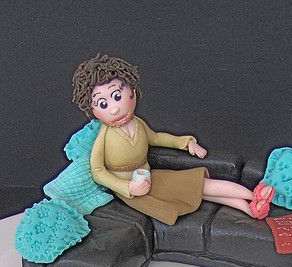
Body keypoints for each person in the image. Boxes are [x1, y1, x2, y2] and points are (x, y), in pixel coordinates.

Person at [72, 54, 273, 226]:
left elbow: (157, 138)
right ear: (93, 110)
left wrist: (185, 143)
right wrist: (128, 188)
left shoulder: (138, 124)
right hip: (134, 192)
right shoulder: (104, 136)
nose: (114, 108)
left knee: (201, 189)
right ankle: (254, 196)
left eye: (117, 96)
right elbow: (98, 172)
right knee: (200, 188)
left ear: (132, 91)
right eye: (102, 103)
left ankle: (251, 207)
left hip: (151, 178)